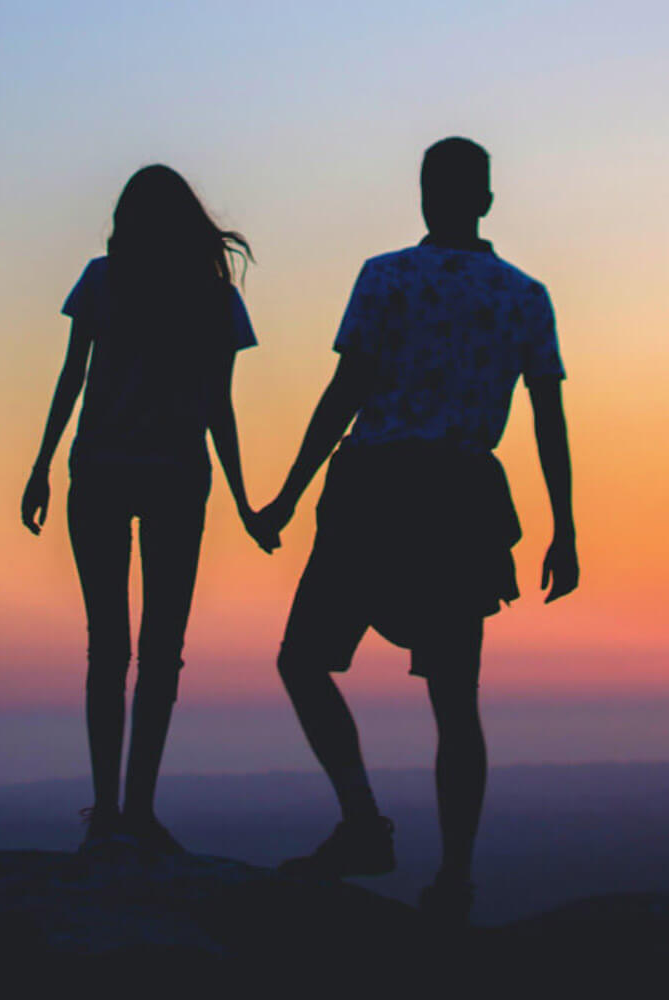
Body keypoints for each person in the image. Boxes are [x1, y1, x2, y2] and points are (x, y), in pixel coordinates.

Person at [255, 137, 579, 921]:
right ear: (488, 201)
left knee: (303, 660)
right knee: (455, 699)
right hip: (460, 501)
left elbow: (346, 393)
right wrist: (565, 529)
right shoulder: (524, 295)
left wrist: (289, 495)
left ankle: (363, 824)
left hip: (373, 490)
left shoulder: (386, 276)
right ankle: (455, 880)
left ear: (426, 197)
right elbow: (548, 421)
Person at [22, 165, 275, 853]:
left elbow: (72, 376)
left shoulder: (102, 280)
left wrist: (42, 465)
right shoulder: (214, 299)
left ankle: (109, 812)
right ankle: (136, 810)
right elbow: (218, 408)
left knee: (109, 648)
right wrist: (247, 503)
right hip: (175, 478)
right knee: (161, 653)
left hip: (99, 472)